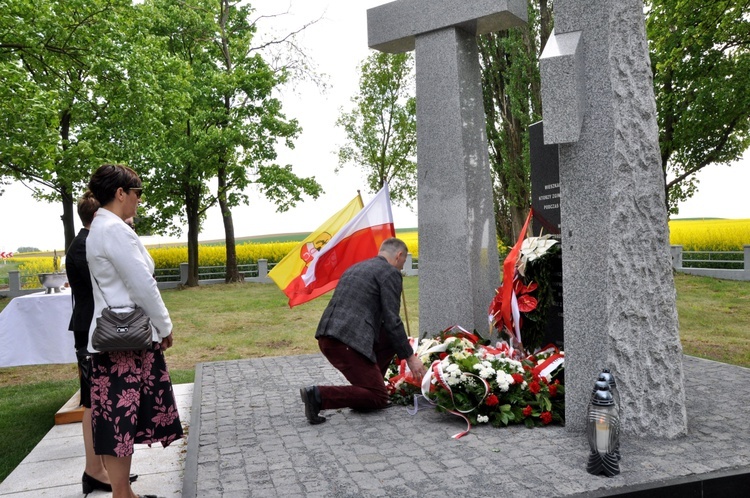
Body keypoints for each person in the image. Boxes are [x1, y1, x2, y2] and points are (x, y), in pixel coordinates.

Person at [86, 164, 183, 498]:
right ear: (120, 193)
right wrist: (165, 325)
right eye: (137, 193)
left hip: (117, 338)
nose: (140, 201)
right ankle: (122, 494)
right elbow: (142, 285)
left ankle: (122, 493)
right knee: (119, 421)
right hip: (126, 340)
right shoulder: (113, 229)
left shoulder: (103, 226)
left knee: (118, 421)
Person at [300, 237, 426, 424]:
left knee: (390, 340)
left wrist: (400, 345)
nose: (402, 266)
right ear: (399, 255)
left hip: (330, 337)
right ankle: (318, 395)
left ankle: (367, 390)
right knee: (378, 397)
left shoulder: (355, 268)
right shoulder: (390, 272)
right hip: (347, 342)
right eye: (404, 260)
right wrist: (410, 357)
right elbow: (392, 320)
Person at [67, 192, 139, 494]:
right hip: (94, 331)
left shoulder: (85, 241)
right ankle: (95, 470)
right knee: (94, 402)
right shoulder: (88, 244)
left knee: (94, 401)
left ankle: (99, 470)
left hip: (90, 328)